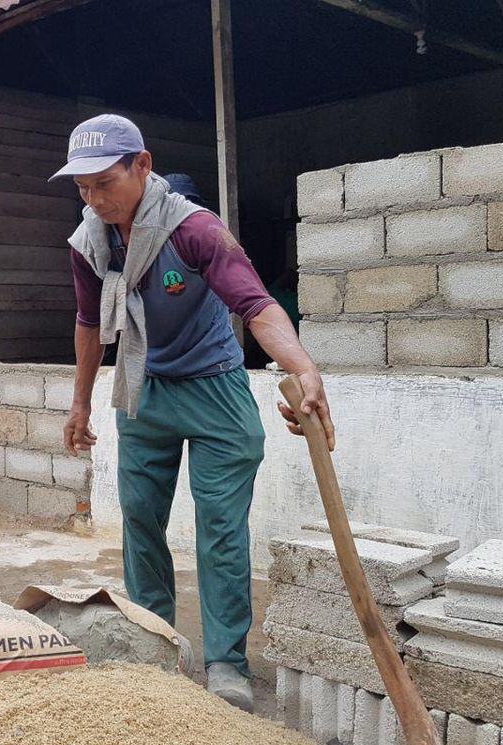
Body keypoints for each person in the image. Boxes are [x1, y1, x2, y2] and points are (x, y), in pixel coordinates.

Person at [51, 114, 335, 711]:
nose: (94, 198)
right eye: (82, 187)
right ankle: (154, 644)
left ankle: (226, 662)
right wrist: (81, 403)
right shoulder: (89, 242)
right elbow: (86, 324)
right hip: (142, 390)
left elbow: (257, 305)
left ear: (143, 165)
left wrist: (301, 367)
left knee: (221, 531)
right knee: (139, 520)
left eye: (105, 183)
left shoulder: (194, 229)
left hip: (214, 390)